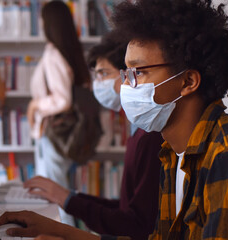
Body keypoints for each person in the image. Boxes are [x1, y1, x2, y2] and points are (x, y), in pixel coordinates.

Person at [0, 0, 228, 239]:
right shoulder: (172, 153)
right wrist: (63, 232)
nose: (126, 85)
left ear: (188, 82)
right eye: (125, 73)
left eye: (139, 72)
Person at [24, 32, 163, 240]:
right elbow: (127, 209)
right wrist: (69, 198)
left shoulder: (150, 137)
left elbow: (137, 226)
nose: (98, 83)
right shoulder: (138, 132)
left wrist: (69, 202)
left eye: (104, 73)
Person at [26, 0, 91, 226]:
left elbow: (63, 99)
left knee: (55, 196)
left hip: (53, 133)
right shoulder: (67, 52)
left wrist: (36, 105)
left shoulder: (53, 54)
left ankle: (64, 234)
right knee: (59, 192)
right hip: (61, 133)